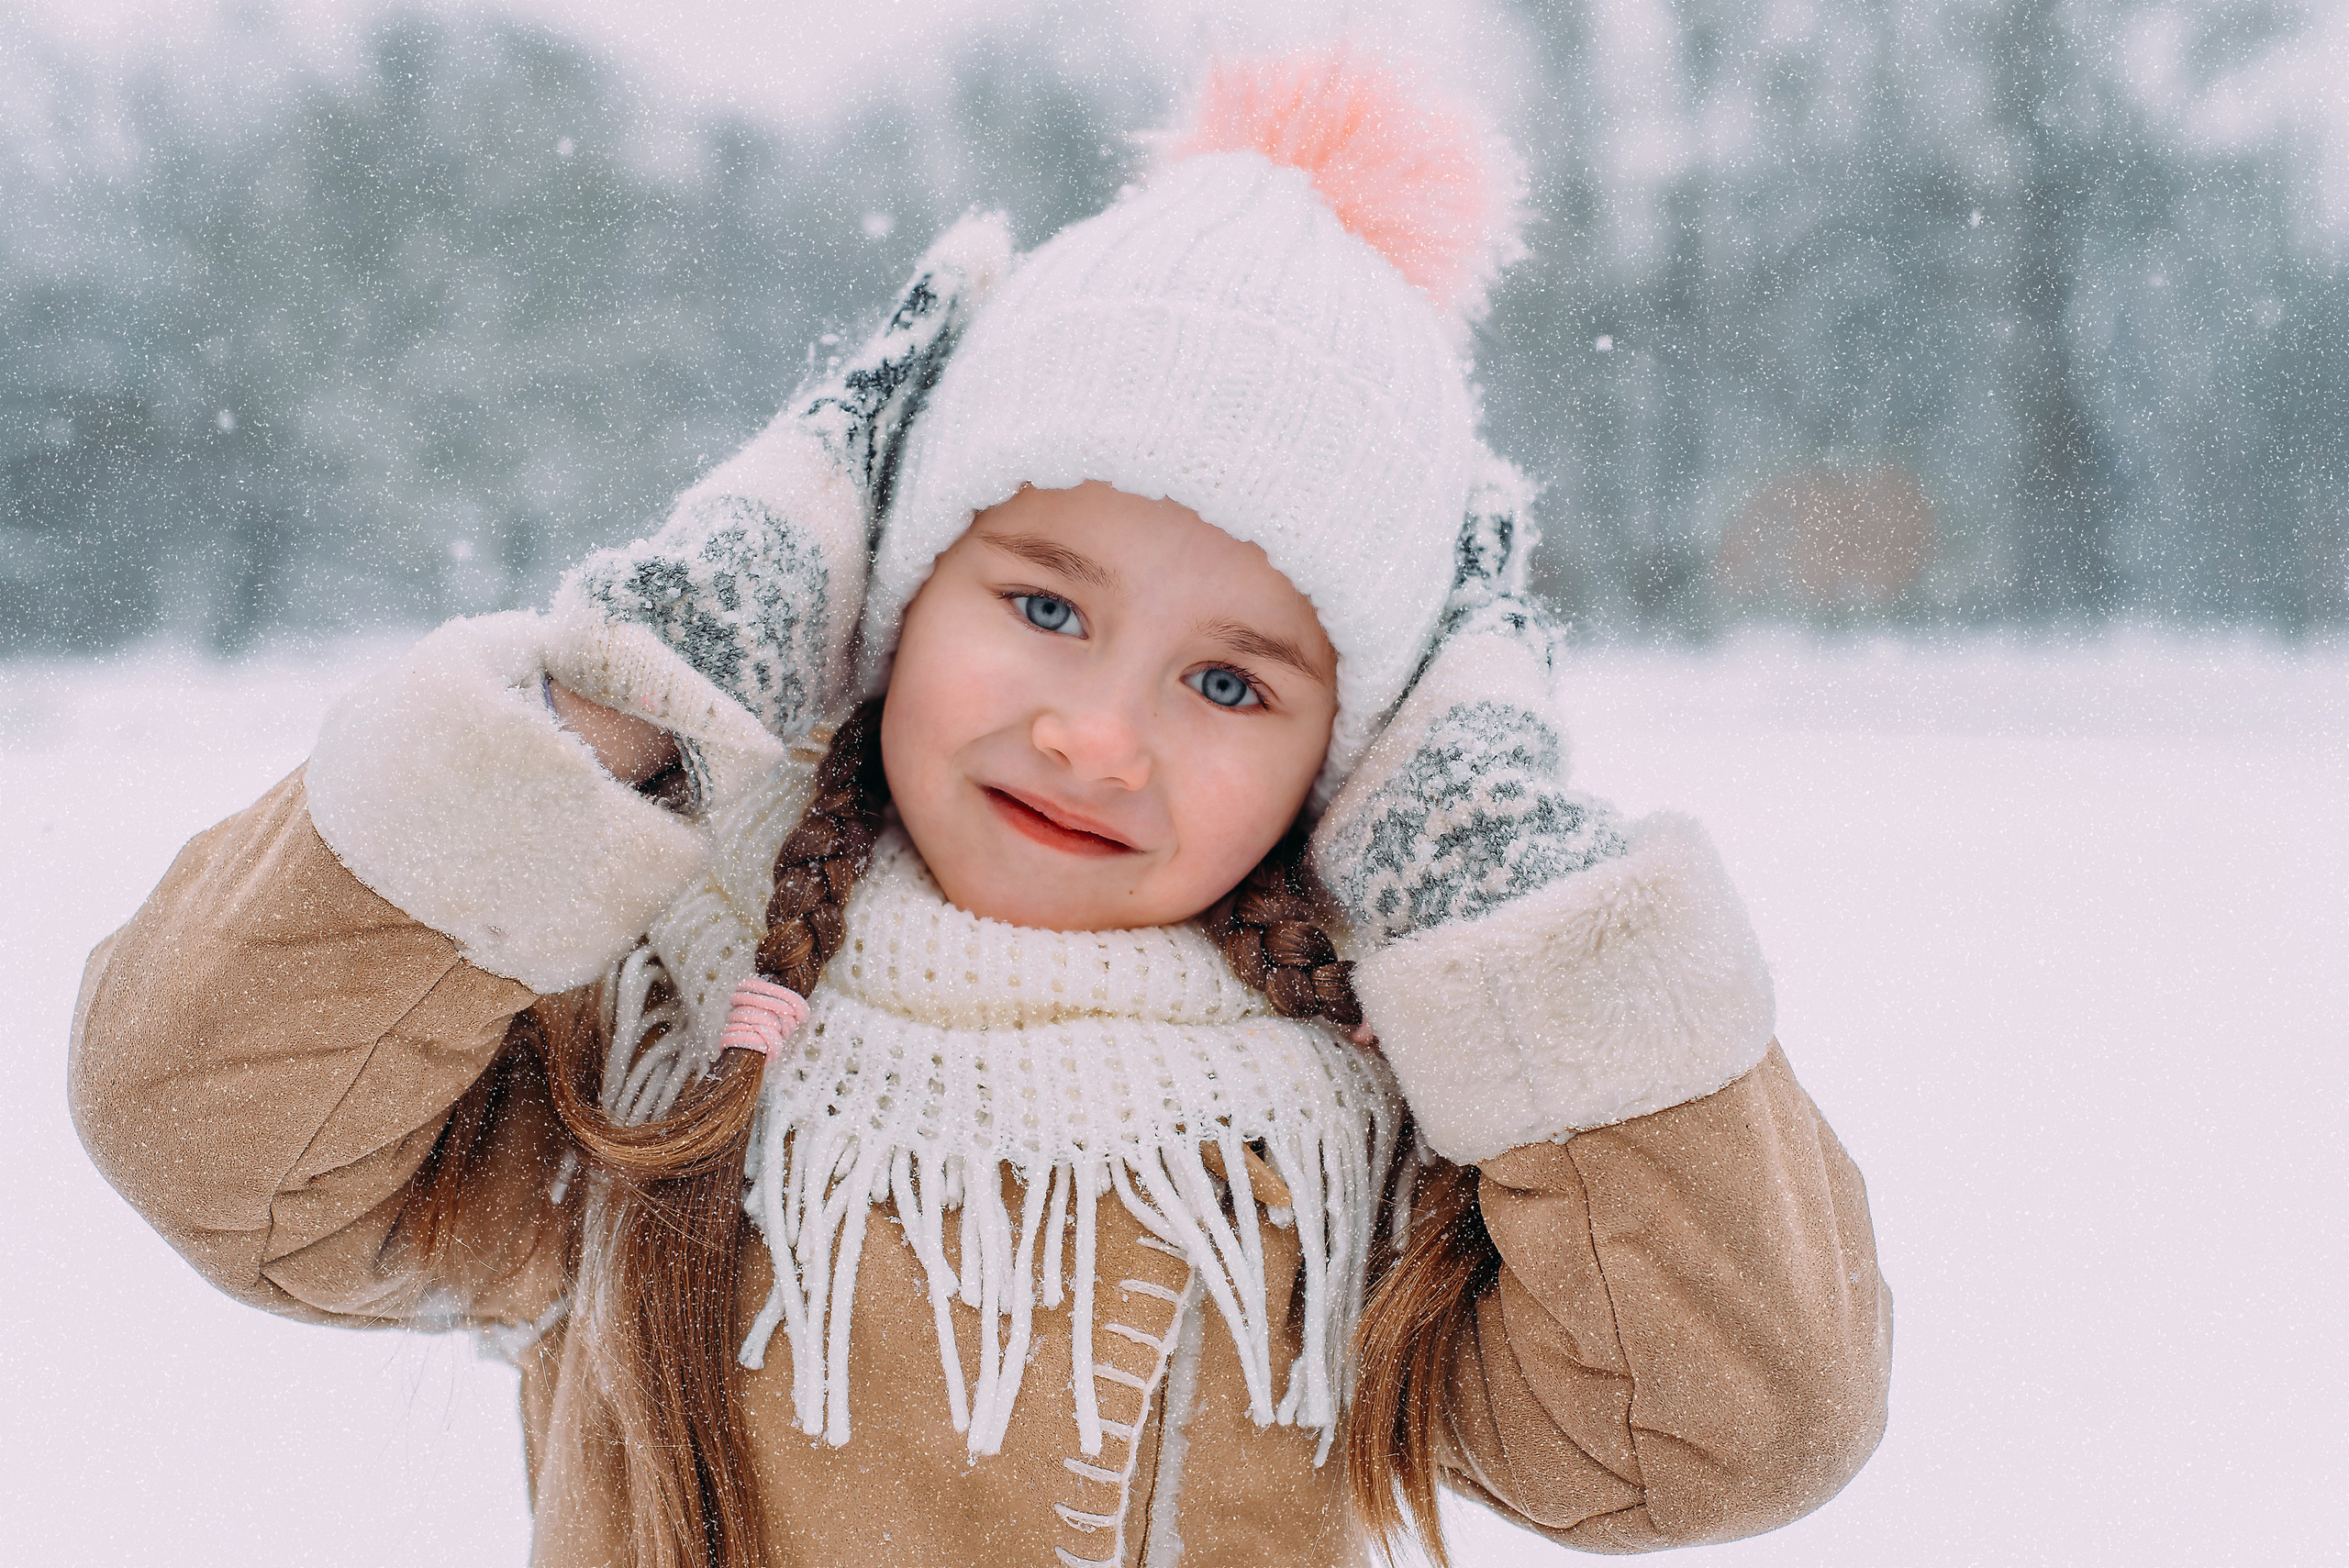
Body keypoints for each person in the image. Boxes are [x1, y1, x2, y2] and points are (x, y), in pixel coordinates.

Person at [68, 49, 1890, 1568]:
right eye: (1040, 605)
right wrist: (599, 716)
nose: (1098, 735)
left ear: (1370, 753)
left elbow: (1719, 1437)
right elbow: (215, 1144)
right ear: (879, 592)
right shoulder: (658, 1011)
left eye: (1229, 681)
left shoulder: (1379, 1127)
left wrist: (1507, 910)